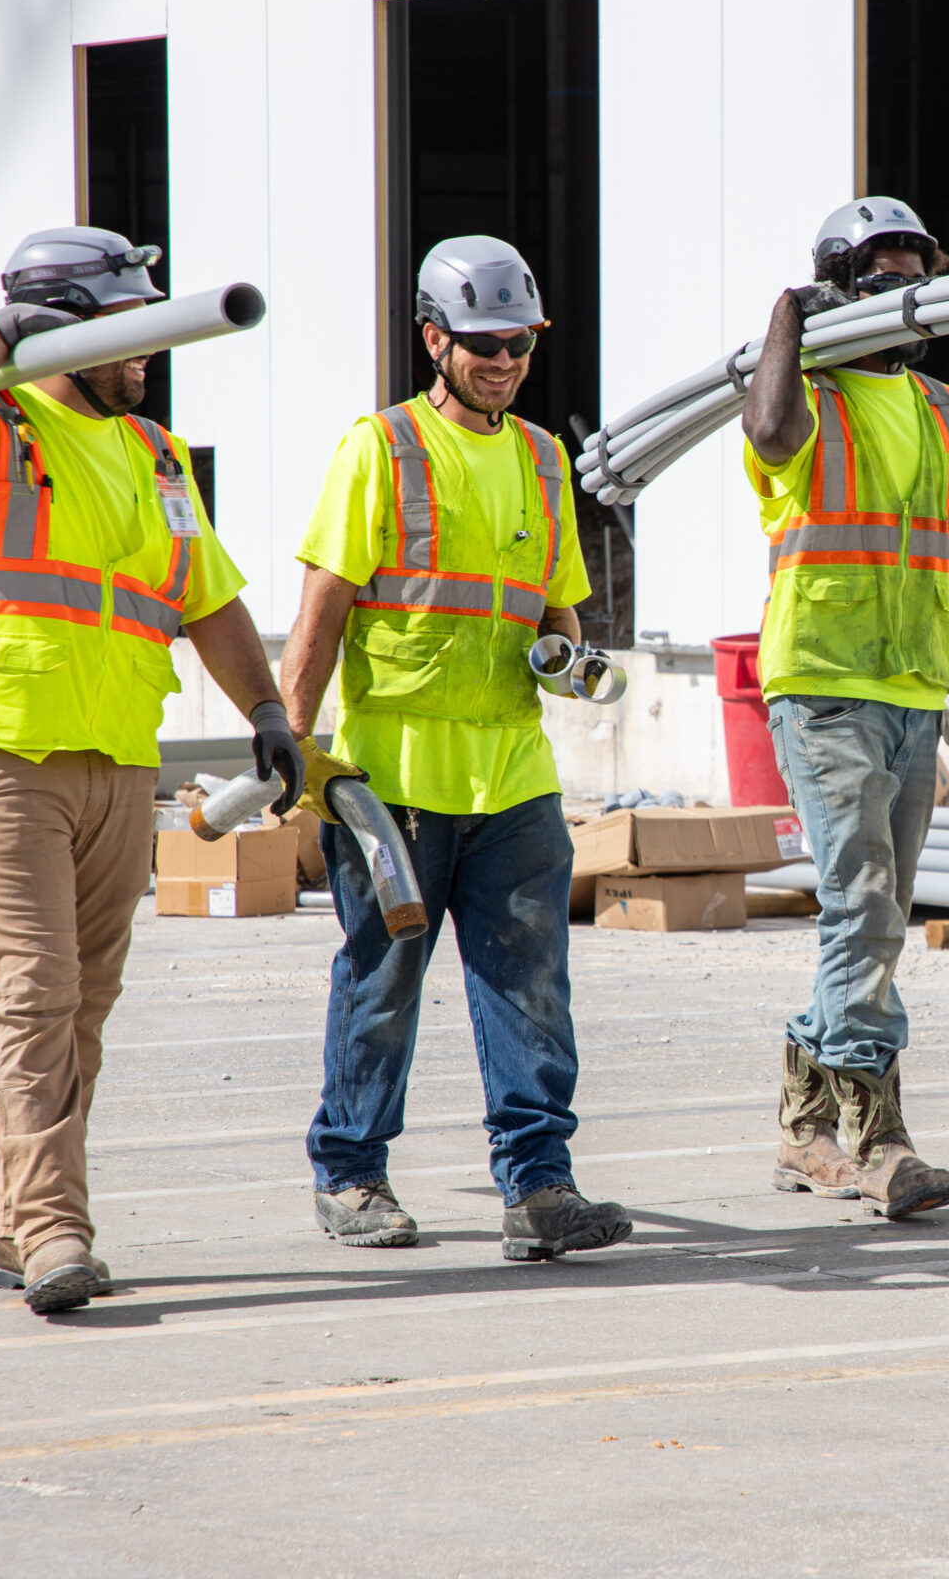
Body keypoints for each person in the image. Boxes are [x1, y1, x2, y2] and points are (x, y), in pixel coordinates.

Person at [0, 226, 301, 1314]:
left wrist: (266, 707)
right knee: (31, 994)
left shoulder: (155, 455)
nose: (150, 350)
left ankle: (16, 1223)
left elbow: (206, 597)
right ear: (65, 329)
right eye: (132, 328)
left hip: (119, 754)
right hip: (1, 750)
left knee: (83, 1006)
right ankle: (58, 1230)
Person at [279, 235, 630, 1263]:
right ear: (433, 339)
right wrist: (296, 757)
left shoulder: (542, 457)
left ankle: (539, 1188)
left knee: (530, 987)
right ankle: (349, 1175)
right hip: (394, 785)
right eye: (482, 344)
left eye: (518, 343)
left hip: (513, 775)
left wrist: (573, 659)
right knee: (381, 985)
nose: (505, 361)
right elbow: (320, 615)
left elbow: (554, 613)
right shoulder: (379, 450)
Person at [738, 196, 949, 1220]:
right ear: (839, 278)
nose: (904, 278)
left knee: (871, 919)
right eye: (879, 265)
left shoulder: (947, 412)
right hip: (823, 687)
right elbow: (767, 429)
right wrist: (790, 315)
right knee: (862, 906)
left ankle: (801, 1124)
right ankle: (877, 1139)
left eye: (916, 263)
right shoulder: (804, 397)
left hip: (914, 689)